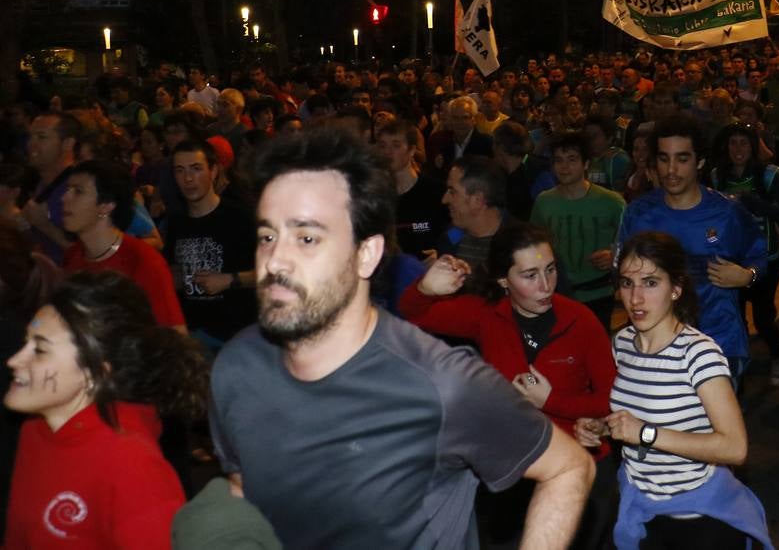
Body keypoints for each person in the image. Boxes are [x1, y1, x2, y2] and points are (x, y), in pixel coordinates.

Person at [209, 129, 593, 549]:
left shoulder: (443, 385)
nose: (276, 259)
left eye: (307, 238)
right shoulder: (235, 367)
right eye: (267, 236)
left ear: (366, 254)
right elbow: (248, 489)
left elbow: (568, 468)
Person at [400, 224, 619, 549]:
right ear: (504, 280)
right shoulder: (487, 316)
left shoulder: (581, 320)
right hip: (512, 470)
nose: (546, 286)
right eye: (530, 275)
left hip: (579, 469)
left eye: (550, 270)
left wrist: (551, 401)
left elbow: (612, 400)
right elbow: (412, 314)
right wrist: (426, 288)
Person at [574, 232, 771, 550]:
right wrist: (601, 426)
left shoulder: (698, 354)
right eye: (627, 283)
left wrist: (646, 433)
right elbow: (633, 414)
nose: (636, 298)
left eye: (651, 282)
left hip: (698, 519)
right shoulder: (622, 343)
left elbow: (735, 448)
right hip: (642, 508)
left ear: (676, 288)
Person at [5, 271, 209, 549]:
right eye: (25, 343)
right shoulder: (35, 432)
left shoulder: (134, 467)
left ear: (95, 373)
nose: (14, 360)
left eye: (39, 350)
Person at [617, 115, 767, 386]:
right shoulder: (638, 214)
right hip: (656, 345)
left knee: (718, 427)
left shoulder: (727, 213)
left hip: (718, 344)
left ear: (699, 162)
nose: (671, 169)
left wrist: (748, 276)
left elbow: (760, 256)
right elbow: (623, 272)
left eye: (682, 159)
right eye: (664, 159)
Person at [708, 122, 779, 387]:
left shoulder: (769, 176)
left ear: (753, 146)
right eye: (733, 143)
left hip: (766, 259)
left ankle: (778, 351)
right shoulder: (716, 176)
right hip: (729, 261)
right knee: (734, 320)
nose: (738, 149)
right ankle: (738, 374)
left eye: (743, 142)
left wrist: (754, 202)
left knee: (763, 316)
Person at [60, 159, 185, 332]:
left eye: (78, 191)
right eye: (68, 189)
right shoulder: (72, 256)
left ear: (106, 206)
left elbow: (175, 339)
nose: (64, 197)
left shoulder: (143, 261)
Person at [164, 139, 257, 352]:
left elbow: (272, 273)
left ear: (213, 171)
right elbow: (174, 271)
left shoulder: (241, 217)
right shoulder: (176, 222)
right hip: (191, 333)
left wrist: (230, 280)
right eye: (180, 171)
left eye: (196, 169)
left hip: (235, 336)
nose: (188, 179)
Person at [530, 131, 625, 328]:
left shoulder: (611, 202)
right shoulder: (544, 202)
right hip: (556, 294)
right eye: (558, 160)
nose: (564, 167)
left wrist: (614, 256)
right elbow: (533, 245)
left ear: (586, 163)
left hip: (600, 293)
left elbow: (631, 242)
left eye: (572, 159)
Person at [376, 120, 448, 260]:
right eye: (382, 146)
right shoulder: (374, 195)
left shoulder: (437, 191)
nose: (387, 152)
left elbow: (458, 230)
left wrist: (443, 249)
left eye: (396, 145)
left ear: (412, 150)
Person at [22, 112, 79, 265]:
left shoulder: (82, 188)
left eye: (41, 137)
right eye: (30, 137)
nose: (30, 144)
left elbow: (95, 254)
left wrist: (45, 225)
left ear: (68, 143)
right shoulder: (44, 184)